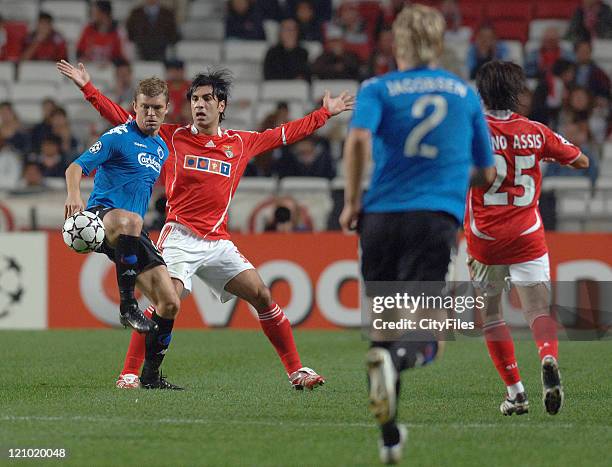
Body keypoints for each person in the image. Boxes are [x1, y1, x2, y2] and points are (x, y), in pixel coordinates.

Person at [56, 60, 353, 390]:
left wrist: (324, 113)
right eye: (195, 99)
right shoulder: (172, 136)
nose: (199, 105)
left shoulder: (240, 143)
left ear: (221, 105)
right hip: (180, 235)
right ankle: (129, 373)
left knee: (262, 294)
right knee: (166, 301)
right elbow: (124, 120)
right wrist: (88, 88)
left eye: (207, 99)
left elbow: (283, 134)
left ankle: (297, 371)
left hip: (218, 241)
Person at [339, 5, 494, 464]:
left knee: (385, 328)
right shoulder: (464, 94)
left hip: (380, 220)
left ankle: (389, 439)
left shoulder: (377, 88)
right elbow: (485, 171)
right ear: (439, 44)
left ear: (398, 44)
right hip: (433, 220)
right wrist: (446, 176)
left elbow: (358, 140)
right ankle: (400, 361)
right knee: (428, 332)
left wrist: (351, 201)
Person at [466, 61, 589, 417]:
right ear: (518, 93)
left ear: (481, 93)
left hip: (485, 238)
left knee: (490, 314)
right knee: (537, 309)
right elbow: (580, 161)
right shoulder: (535, 131)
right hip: (526, 234)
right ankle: (547, 354)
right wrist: (544, 153)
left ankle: (516, 392)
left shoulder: (472, 131)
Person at [63, 76, 183, 390]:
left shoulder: (161, 148)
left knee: (169, 302)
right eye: (145, 107)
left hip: (133, 231)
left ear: (167, 109)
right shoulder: (117, 136)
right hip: (103, 219)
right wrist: (74, 195)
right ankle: (128, 305)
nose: (151, 113)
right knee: (131, 221)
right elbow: (75, 167)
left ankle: (151, 377)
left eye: (157, 108)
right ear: (135, 107)